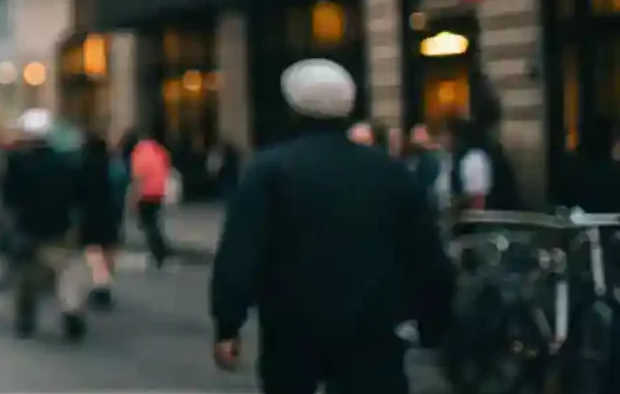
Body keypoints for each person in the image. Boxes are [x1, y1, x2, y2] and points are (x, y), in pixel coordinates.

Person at [209, 59, 454, 392]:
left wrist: (228, 323)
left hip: (292, 329)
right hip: (372, 329)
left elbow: (241, 252)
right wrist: (433, 321)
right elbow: (426, 253)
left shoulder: (270, 170)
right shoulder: (389, 171)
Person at [1, 110, 91, 341]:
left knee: (27, 277)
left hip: (27, 227)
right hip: (59, 225)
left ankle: (26, 318)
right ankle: (71, 311)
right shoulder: (65, 163)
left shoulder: (18, 163)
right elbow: (78, 195)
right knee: (66, 273)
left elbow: (9, 197)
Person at [75, 131, 123, 310]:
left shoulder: (83, 166)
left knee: (93, 250)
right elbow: (121, 187)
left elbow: (77, 192)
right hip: (111, 212)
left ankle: (100, 283)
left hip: (90, 213)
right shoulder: (113, 167)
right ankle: (106, 283)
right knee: (109, 249)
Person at [121, 129, 174, 269]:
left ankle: (159, 251)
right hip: (158, 191)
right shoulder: (159, 151)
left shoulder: (138, 154)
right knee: (153, 222)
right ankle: (160, 250)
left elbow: (138, 177)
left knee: (148, 225)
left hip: (146, 193)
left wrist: (133, 198)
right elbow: (166, 167)